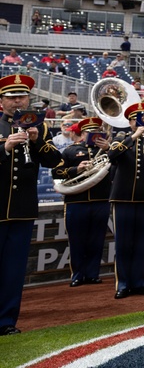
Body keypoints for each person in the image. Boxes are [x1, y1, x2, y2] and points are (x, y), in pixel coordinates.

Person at [0, 73, 61, 335]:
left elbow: (54, 162)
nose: (17, 102)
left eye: (21, 96)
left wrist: (37, 141)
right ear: (1, 101)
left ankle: (6, 321)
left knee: (14, 271)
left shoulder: (41, 127)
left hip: (23, 209)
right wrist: (3, 148)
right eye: (11, 97)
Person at [53, 116, 112, 288]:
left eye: (98, 132)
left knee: (97, 239)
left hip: (100, 199)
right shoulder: (71, 151)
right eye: (90, 132)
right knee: (77, 241)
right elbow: (56, 172)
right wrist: (76, 169)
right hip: (76, 202)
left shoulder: (108, 151)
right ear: (83, 133)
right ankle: (77, 275)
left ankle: (93, 274)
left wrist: (109, 150)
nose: (95, 135)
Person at [107, 103, 144, 298]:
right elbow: (113, 154)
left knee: (141, 243)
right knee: (123, 243)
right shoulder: (121, 138)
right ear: (130, 122)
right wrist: (133, 137)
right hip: (123, 198)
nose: (141, 121)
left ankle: (138, 282)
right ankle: (123, 283)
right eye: (137, 118)